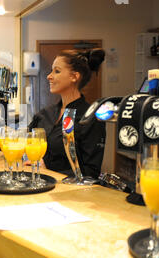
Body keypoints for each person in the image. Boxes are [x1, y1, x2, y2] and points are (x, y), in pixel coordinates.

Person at [28, 49, 106, 178]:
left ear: (74, 76)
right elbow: (24, 140)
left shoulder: (90, 118)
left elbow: (91, 172)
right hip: (38, 184)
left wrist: (49, 172)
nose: (49, 76)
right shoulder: (45, 114)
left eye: (56, 71)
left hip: (69, 193)